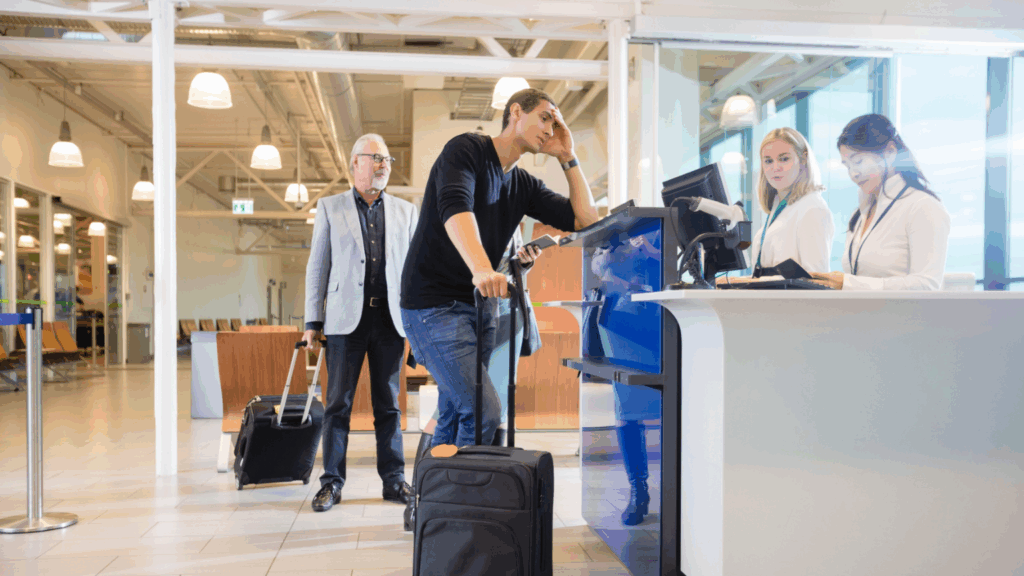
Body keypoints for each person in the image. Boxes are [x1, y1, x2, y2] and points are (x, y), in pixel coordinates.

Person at [400, 88, 600, 448]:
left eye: (555, 123)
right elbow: (455, 206)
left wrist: (568, 157)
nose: (549, 129)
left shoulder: (523, 184)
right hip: (434, 305)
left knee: (453, 411)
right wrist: (481, 268)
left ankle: (432, 485)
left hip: (478, 307)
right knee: (483, 412)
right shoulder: (467, 149)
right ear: (516, 112)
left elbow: (584, 221)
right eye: (544, 118)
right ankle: (460, 484)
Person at [303, 133, 419, 512]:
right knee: (337, 405)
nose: (384, 165)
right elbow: (318, 266)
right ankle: (331, 483)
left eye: (387, 160)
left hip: (389, 321)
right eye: (376, 158)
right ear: (355, 163)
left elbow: (414, 272)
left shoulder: (406, 212)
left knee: (389, 406)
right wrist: (312, 320)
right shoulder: (330, 207)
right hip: (343, 322)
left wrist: (418, 322)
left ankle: (394, 480)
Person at [811, 114, 950, 290]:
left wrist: (847, 283)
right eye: (847, 166)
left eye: (858, 161)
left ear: (890, 153)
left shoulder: (923, 206)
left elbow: (927, 285)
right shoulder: (860, 213)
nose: (853, 173)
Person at [750, 128, 834, 275]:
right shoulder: (779, 207)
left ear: (803, 159)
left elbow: (816, 278)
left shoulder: (812, 208)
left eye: (784, 159)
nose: (775, 168)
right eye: (768, 161)